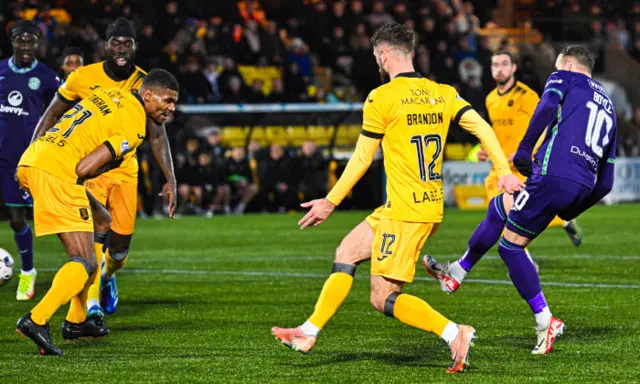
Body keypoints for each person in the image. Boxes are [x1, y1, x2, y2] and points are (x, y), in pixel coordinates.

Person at [271, 23, 523, 374]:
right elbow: (482, 126)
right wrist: (504, 170)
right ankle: (307, 332)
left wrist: (331, 200)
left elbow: (361, 159)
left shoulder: (382, 97)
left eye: (377, 56)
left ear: (383, 55)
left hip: (406, 212)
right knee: (346, 252)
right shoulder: (442, 92)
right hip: (416, 206)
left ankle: (454, 333)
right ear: (412, 53)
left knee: (382, 297)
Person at [426, 46, 616, 354]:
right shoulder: (609, 105)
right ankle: (456, 274)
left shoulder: (563, 76)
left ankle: (546, 321)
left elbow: (545, 108)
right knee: (501, 206)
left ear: (568, 64)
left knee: (510, 247)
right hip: (579, 183)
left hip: (552, 173)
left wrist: (526, 150)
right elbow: (606, 182)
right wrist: (573, 209)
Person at [15, 69, 179, 355]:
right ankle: (36, 320)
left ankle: (76, 322)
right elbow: (85, 169)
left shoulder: (109, 93)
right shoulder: (134, 125)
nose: (172, 108)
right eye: (168, 100)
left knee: (103, 219)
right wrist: (107, 166)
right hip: (57, 172)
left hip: (36, 158)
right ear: (148, 95)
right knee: (86, 262)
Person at [31, 17, 178, 326]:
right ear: (105, 45)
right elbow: (53, 113)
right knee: (94, 235)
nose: (122, 48)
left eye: (128, 43)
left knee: (120, 248)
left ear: (135, 46)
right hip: (90, 167)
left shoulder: (147, 84)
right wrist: (34, 150)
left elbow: (156, 135)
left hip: (124, 170)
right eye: (116, 42)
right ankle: (88, 308)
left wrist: (170, 179)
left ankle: (108, 276)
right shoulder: (82, 77)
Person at [480, 50, 583, 246]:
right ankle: (562, 224)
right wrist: (487, 148)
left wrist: (528, 151)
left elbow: (545, 125)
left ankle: (561, 224)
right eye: (495, 65)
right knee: (503, 217)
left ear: (513, 68)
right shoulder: (490, 98)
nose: (499, 69)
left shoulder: (527, 96)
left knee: (519, 217)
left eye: (504, 64)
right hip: (499, 170)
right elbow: (496, 130)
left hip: (521, 168)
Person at [0, 20, 60, 301]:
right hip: (5, 158)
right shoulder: (0, 71)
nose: (26, 46)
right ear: (12, 42)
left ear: (38, 44)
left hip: (34, 159)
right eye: (21, 41)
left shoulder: (47, 77)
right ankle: (28, 272)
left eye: (32, 41)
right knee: (15, 218)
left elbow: (59, 113)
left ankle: (85, 270)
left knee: (55, 221)